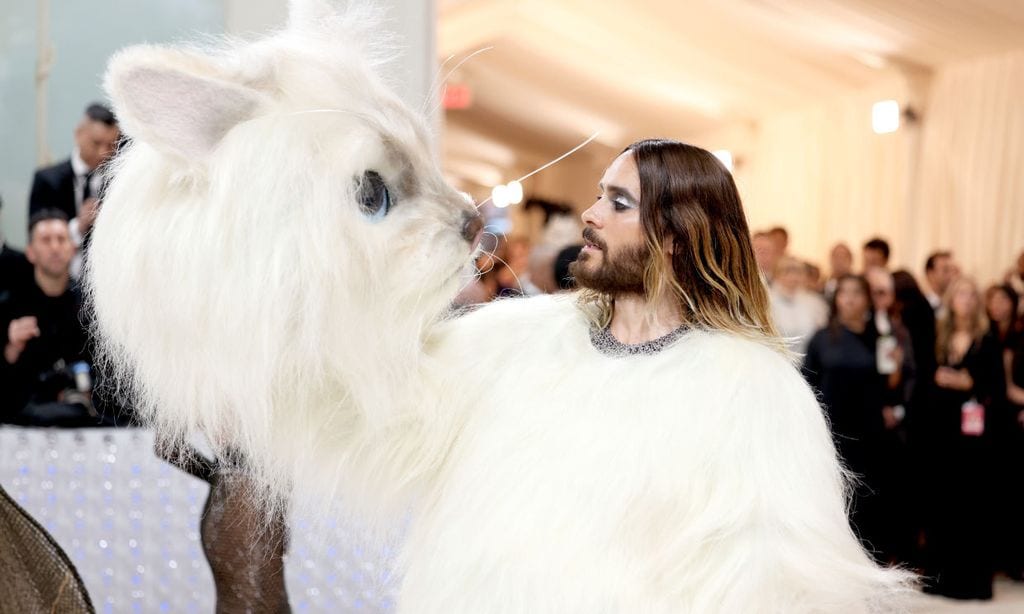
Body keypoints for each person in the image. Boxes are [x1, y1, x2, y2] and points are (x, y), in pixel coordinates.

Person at [87, 10, 912, 608]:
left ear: (677, 238)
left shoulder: (752, 390)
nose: (587, 215)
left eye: (617, 204)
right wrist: (248, 308)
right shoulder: (523, 339)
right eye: (598, 195)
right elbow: (374, 415)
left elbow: (789, 582)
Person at [920, 276, 1005, 600]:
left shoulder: (987, 339)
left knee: (973, 505)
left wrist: (968, 384)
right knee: (943, 503)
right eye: (961, 294)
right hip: (942, 432)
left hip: (975, 437)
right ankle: (941, 578)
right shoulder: (939, 336)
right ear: (952, 299)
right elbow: (925, 381)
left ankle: (972, 581)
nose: (967, 300)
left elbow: (995, 387)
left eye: (973, 294)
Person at [0, 210, 96, 425]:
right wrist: (10, 349)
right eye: (45, 240)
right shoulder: (9, 307)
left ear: (72, 249)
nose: (55, 247)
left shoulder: (90, 308)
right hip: (21, 422)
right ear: (31, 252)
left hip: (81, 422)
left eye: (61, 239)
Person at [28, 103, 120, 278]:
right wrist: (77, 226)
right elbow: (35, 240)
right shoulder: (47, 180)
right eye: (96, 143)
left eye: (110, 146)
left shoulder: (118, 184)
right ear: (78, 134)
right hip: (56, 287)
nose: (103, 152)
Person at [770, 256, 828, 354]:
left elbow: (822, 335)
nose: (793, 277)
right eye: (787, 272)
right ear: (777, 275)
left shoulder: (815, 303)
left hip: (808, 361)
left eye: (797, 272)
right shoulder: (767, 301)